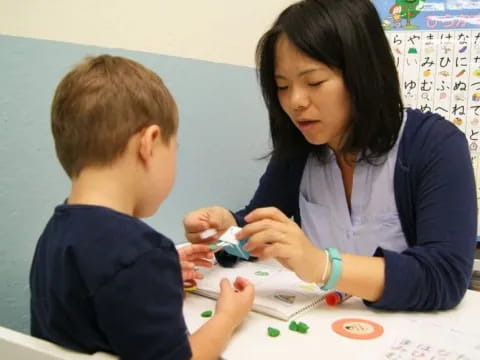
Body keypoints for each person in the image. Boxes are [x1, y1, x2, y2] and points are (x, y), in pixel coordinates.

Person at [183, 0, 477, 311]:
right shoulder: (299, 149)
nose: (295, 102)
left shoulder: (433, 145)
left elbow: (444, 276)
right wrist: (225, 227)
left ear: (364, 75)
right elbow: (262, 225)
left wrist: (322, 265)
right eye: (282, 86)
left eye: (314, 82)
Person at [29, 55, 254, 360]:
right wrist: (227, 317)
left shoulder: (54, 234)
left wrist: (161, 270)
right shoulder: (140, 254)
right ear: (149, 143)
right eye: (174, 150)